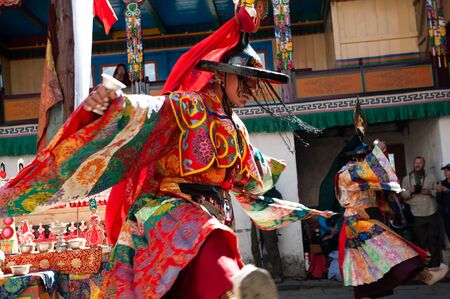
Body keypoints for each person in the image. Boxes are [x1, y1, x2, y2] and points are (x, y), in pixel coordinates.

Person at [0, 2, 331, 298]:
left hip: (214, 216)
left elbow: (252, 185)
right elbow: (148, 110)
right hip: (168, 212)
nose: (251, 87)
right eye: (244, 78)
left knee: (202, 265)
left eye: (255, 81)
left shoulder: (239, 131)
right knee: (207, 241)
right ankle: (236, 283)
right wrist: (114, 105)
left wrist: (304, 210)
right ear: (219, 77)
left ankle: (233, 285)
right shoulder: (188, 107)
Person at [337, 144, 448, 299]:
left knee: (370, 263)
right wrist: (378, 150)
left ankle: (425, 274)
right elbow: (371, 172)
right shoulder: (347, 173)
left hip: (365, 218)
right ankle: (425, 275)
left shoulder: (360, 175)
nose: (363, 160)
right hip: (357, 222)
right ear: (354, 159)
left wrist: (389, 212)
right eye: (362, 157)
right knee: (391, 249)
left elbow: (379, 188)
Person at [400, 156, 445, 270]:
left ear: (423, 164)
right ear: (413, 164)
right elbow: (403, 196)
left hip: (431, 210)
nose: (417, 164)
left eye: (420, 163)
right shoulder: (407, 179)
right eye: (416, 162)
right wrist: (410, 191)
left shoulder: (431, 177)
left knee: (434, 238)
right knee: (421, 239)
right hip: (417, 212)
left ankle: (435, 264)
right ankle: (424, 264)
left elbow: (439, 191)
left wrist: (430, 191)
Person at [250, 187, 284, 283]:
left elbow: (278, 204)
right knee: (256, 247)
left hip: (268, 221)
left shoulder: (272, 191)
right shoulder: (253, 188)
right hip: (256, 220)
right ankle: (259, 275)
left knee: (271, 247)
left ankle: (278, 274)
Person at [436, 163, 450, 242]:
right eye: (444, 171)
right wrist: (438, 192)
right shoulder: (442, 183)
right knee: (448, 232)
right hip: (446, 213)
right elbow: (439, 200)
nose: (445, 172)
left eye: (447, 170)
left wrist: (447, 191)